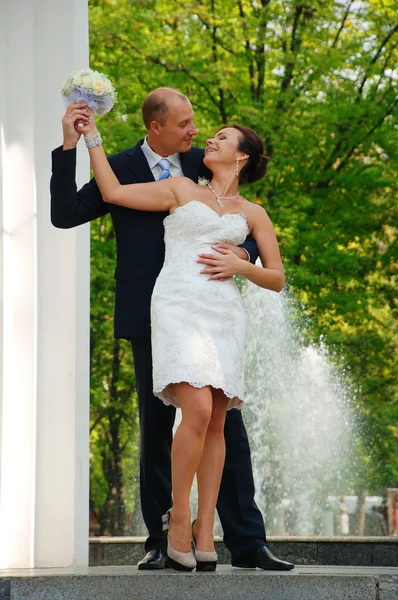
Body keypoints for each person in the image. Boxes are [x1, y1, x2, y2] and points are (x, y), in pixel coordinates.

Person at [50, 87, 294, 571]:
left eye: (199, 125)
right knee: (158, 426)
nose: (195, 131)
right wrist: (70, 146)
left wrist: (242, 257)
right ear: (155, 127)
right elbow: (65, 215)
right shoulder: (122, 166)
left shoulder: (204, 171)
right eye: (185, 124)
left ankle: (244, 539)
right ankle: (161, 538)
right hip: (156, 309)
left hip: (216, 311)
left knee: (223, 424)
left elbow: (237, 226)